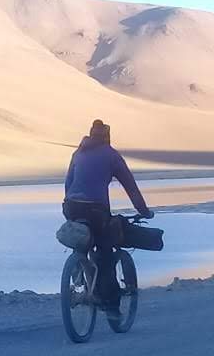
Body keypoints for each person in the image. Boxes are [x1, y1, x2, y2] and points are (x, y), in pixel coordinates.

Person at [63, 119, 153, 315]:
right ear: (107, 136)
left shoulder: (78, 153)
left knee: (82, 239)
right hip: (96, 210)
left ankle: (78, 271)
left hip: (71, 206)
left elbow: (68, 183)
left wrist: (70, 205)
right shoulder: (111, 155)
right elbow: (130, 186)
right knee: (105, 252)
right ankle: (111, 306)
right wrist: (144, 211)